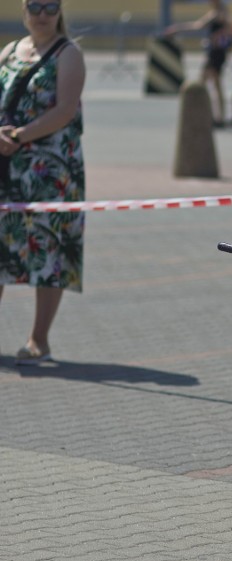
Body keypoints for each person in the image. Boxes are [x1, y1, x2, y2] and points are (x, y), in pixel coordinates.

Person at [0, 0, 86, 364]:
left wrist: (19, 135)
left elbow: (65, 110)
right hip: (7, 165)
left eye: (50, 6)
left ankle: (39, 340)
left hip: (51, 170)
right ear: (24, 9)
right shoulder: (9, 50)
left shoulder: (69, 53)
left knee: (50, 252)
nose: (42, 13)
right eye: (35, 5)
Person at [164, 0, 232, 127]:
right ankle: (218, 116)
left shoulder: (219, 13)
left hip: (216, 53)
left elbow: (200, 25)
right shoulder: (220, 12)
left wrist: (177, 28)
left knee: (202, 84)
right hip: (216, 52)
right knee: (214, 85)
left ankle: (211, 116)